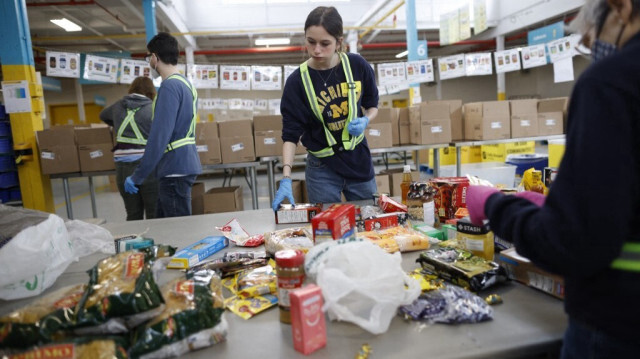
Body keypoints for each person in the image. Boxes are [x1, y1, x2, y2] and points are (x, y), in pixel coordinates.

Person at [466, 0, 640, 358]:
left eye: (591, 40)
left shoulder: (611, 83)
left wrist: (499, 206)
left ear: (620, 7)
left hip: (619, 322)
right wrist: (561, 207)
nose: (594, 50)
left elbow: (571, 244)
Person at [271, 6, 379, 210]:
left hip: (358, 160)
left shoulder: (357, 66)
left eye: (325, 43)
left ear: (339, 42)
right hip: (321, 169)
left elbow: (372, 105)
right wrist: (286, 176)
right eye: (311, 42)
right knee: (326, 228)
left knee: (369, 221)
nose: (316, 50)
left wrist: (366, 119)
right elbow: (290, 134)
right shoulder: (297, 82)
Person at [124, 32, 202, 218]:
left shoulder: (169, 87)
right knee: (163, 226)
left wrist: (138, 175)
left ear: (154, 57)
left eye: (148, 57)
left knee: (178, 233)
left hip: (174, 168)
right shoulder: (185, 84)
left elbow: (159, 137)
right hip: (181, 164)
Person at [100, 77, 158, 220]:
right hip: (147, 165)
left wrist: (117, 122)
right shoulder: (153, 108)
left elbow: (102, 115)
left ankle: (134, 241)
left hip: (123, 167)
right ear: (151, 91)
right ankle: (156, 241)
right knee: (153, 213)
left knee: (133, 213)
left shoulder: (118, 106)